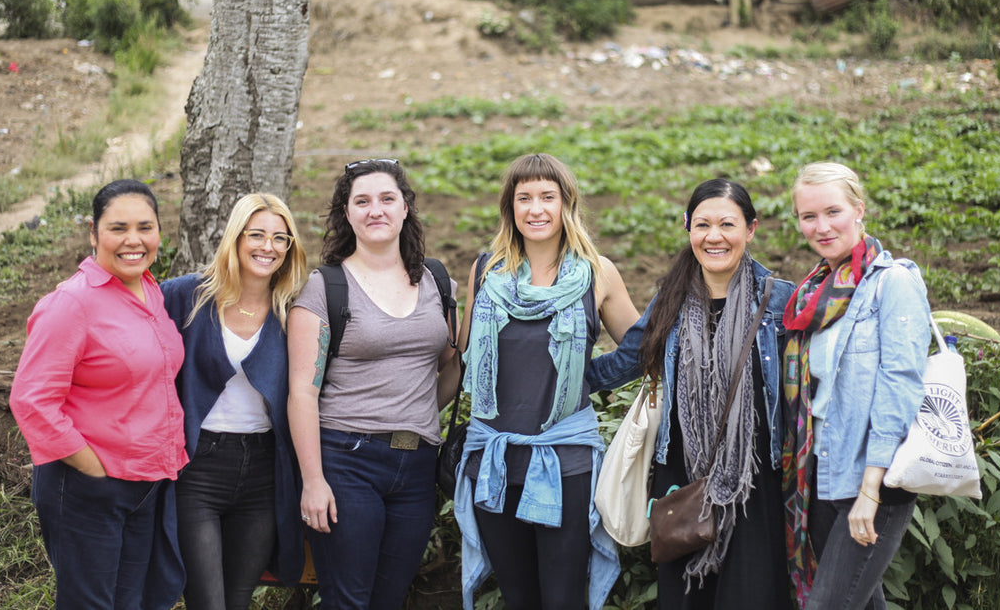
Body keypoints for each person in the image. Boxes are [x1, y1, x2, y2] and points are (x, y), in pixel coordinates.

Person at [587, 178, 795, 609]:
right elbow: (626, 361)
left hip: (753, 482)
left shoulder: (779, 302)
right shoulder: (673, 299)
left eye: (727, 224)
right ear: (687, 227)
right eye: (702, 224)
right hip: (683, 481)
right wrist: (555, 381)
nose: (714, 236)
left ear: (751, 229)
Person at [455, 153, 640, 610]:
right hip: (495, 462)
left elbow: (640, 349)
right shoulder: (486, 272)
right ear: (510, 208)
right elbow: (464, 356)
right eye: (524, 198)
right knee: (518, 597)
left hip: (565, 463)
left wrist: (585, 378)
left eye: (547, 197)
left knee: (562, 600)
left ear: (566, 204)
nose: (535, 209)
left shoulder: (596, 272)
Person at [287, 158, 459, 609]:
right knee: (348, 599)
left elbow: (450, 367)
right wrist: (313, 480)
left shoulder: (438, 282)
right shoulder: (326, 288)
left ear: (405, 208)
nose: (375, 209)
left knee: (389, 598)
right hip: (347, 461)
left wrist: (419, 412)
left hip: (418, 465)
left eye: (387, 198)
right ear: (348, 214)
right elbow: (302, 391)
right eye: (361, 201)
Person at [10, 179, 188, 610]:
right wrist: (92, 467)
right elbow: (31, 399)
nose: (133, 240)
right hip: (89, 484)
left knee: (132, 601)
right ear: (94, 233)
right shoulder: (71, 304)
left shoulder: (151, 292)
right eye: (118, 228)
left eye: (145, 227)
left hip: (145, 481)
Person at [782, 162, 930, 610]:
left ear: (859, 210)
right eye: (808, 216)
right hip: (822, 475)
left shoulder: (893, 282)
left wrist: (870, 491)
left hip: (872, 480)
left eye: (833, 211)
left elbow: (899, 385)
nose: (821, 227)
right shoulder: (813, 294)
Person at [161, 193, 309, 609]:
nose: (268, 246)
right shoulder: (187, 296)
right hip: (200, 467)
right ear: (235, 238)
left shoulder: (292, 310)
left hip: (263, 469)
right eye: (257, 234)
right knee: (208, 601)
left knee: (239, 597)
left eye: (281, 238)